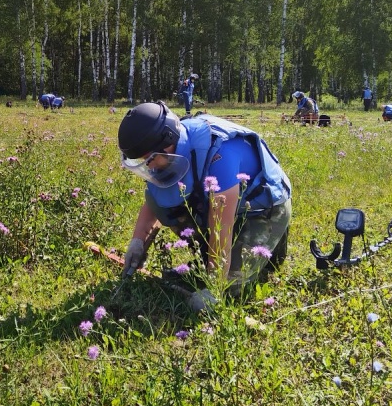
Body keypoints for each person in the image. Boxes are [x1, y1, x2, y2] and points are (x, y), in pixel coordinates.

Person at [118, 101, 292, 308]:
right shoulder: (169, 153)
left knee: (230, 287)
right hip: (222, 207)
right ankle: (212, 262)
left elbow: (222, 230)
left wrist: (214, 288)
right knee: (175, 211)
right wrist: (138, 243)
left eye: (149, 158)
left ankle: (271, 243)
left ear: (168, 140)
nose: (148, 165)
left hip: (261, 209)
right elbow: (155, 201)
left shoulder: (220, 156)